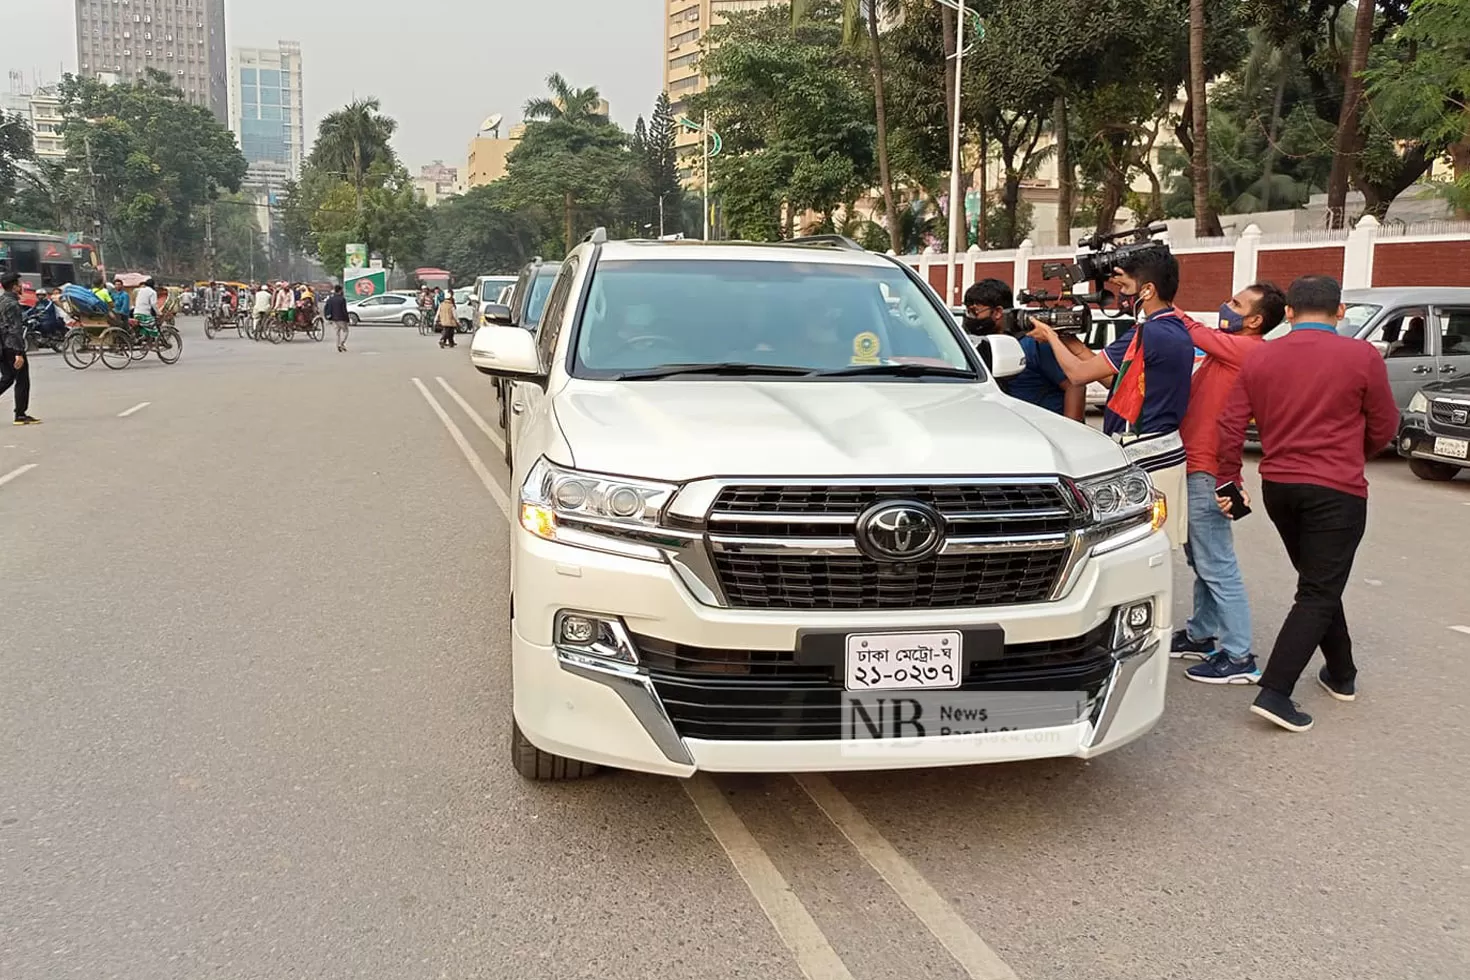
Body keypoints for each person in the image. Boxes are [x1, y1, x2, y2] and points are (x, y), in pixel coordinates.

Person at [1217, 276, 1398, 733]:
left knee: (1319, 581)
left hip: (1280, 485)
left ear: (1291, 312)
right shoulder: (1362, 356)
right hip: (1337, 488)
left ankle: (1342, 673)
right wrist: (1356, 454)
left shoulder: (1262, 357)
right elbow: (1384, 425)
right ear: (1339, 312)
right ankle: (1276, 692)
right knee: (1318, 589)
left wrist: (1228, 478)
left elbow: (1231, 422)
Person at [1029, 252, 1195, 549]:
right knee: (1151, 549)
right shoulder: (1173, 327)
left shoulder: (1149, 332)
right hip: (1164, 452)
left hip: (1148, 456)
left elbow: (1078, 376)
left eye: (1127, 289)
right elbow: (1115, 383)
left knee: (1141, 551)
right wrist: (1075, 346)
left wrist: (1050, 336)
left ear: (1148, 290)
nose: (1122, 298)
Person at [1169, 282, 1287, 685]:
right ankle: (1202, 634)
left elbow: (1193, 331)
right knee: (1201, 559)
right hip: (1196, 465)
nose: (1227, 306)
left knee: (1217, 564)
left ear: (1255, 320)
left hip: (1208, 470)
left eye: (1237, 304)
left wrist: (1160, 301)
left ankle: (1238, 655)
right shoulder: (1228, 350)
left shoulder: (1251, 350)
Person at [962, 278, 1085, 421]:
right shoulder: (980, 343)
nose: (969, 317)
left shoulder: (1035, 342)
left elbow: (1075, 385)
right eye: (967, 311)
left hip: (1044, 428)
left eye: (974, 311)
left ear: (997, 312)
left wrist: (1069, 430)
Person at [0, 272, 39, 425]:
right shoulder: (13, 304)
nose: (21, 286)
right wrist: (18, 353)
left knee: (8, 377)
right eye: (19, 284)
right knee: (22, 379)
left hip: (2, 346)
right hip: (12, 346)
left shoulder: (1, 301)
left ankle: (21, 413)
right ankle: (20, 414)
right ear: (14, 287)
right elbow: (15, 329)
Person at [324, 284, 351, 352]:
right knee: (346, 331)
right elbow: (344, 310)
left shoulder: (330, 299)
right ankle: (342, 343)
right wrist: (347, 319)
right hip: (341, 318)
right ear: (340, 290)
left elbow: (326, 308)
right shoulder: (342, 299)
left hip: (333, 318)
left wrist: (327, 317)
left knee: (337, 333)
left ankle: (338, 345)